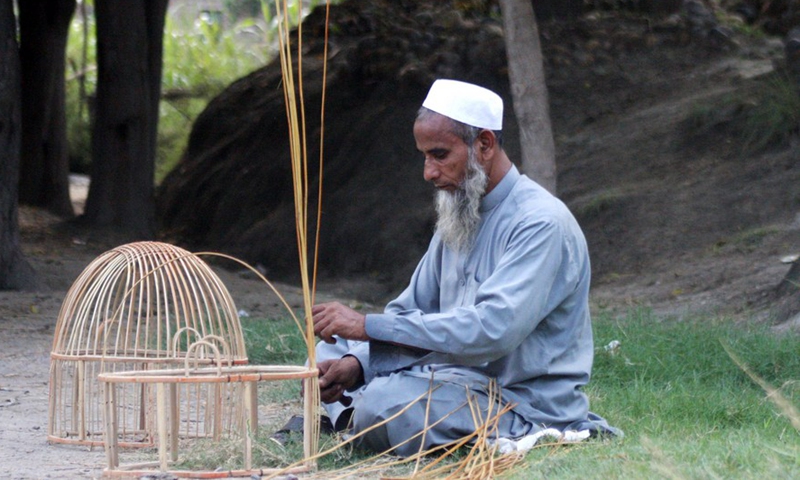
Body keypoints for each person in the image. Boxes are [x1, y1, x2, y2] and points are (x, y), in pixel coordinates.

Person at [308, 79, 619, 457]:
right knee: (331, 348)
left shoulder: (540, 222)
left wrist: (367, 327)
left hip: (518, 402)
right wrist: (355, 363)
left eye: (439, 154)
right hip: (451, 382)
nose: (429, 172)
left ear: (484, 145)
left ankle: (355, 414)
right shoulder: (460, 213)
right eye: (424, 156)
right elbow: (409, 313)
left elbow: (492, 330)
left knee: (385, 399)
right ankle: (357, 407)